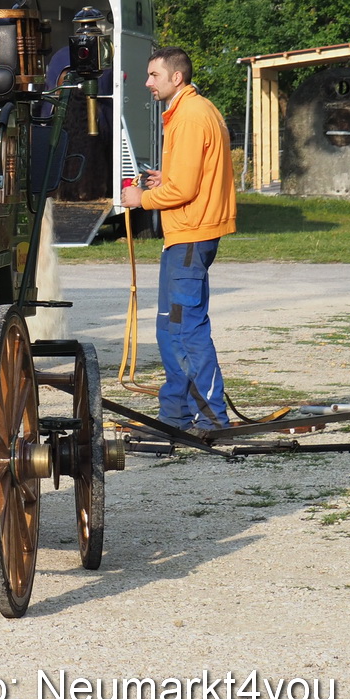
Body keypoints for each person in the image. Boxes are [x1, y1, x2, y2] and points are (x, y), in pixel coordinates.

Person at [120, 47, 238, 433]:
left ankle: (213, 420)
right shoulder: (194, 110)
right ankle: (174, 418)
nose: (147, 82)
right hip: (186, 235)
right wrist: (163, 180)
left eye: (154, 75)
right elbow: (189, 177)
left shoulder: (189, 116)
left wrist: (143, 198)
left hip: (191, 235)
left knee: (186, 329)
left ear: (177, 78)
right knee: (170, 328)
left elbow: (185, 189)